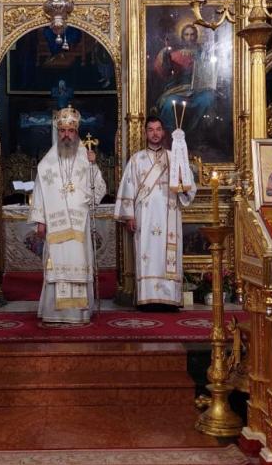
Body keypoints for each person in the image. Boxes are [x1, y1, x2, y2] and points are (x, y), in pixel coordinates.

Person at [30, 106, 107, 325]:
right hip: (55, 226)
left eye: (70, 131)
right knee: (56, 266)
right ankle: (54, 313)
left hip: (79, 224)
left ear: (76, 132)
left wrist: (93, 166)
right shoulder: (46, 164)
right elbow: (39, 192)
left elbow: (99, 190)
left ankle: (79, 313)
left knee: (79, 262)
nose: (66, 135)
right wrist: (40, 220)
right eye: (62, 130)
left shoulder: (86, 158)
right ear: (58, 132)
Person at [115, 116, 196, 308]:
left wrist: (183, 183)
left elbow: (189, 188)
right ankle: (147, 299)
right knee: (147, 255)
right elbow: (128, 188)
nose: (155, 133)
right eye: (150, 130)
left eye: (158, 129)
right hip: (145, 218)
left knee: (167, 254)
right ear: (145, 133)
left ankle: (170, 299)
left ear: (163, 132)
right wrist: (129, 216)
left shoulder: (174, 158)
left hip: (169, 216)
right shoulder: (137, 160)